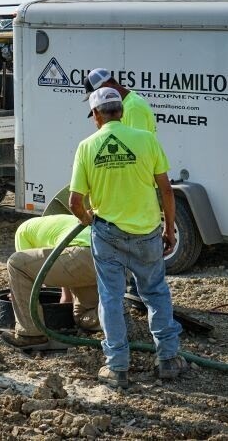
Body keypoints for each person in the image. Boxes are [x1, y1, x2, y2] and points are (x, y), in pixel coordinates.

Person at [69, 87, 186, 389]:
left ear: (96, 115)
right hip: (147, 233)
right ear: (120, 111)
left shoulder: (87, 146)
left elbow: (74, 202)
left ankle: (118, 367)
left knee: (110, 297)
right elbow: (166, 190)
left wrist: (88, 220)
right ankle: (168, 360)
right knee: (156, 293)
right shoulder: (147, 141)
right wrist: (169, 229)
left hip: (107, 233)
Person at [84, 67, 158, 298]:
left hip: (133, 189)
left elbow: (132, 152)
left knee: (132, 249)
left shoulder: (132, 108)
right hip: (137, 188)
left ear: (109, 87)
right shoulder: (133, 101)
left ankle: (139, 295)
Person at [0, 214, 100, 350]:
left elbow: (29, 276)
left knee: (15, 263)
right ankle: (119, 319)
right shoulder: (59, 225)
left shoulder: (23, 231)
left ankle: (30, 335)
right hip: (103, 259)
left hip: (80, 253)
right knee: (83, 316)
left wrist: (18, 295)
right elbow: (63, 274)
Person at [84, 67, 155, 133]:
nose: (96, 98)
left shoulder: (132, 107)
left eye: (97, 93)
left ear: (106, 85)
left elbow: (138, 144)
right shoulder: (128, 103)